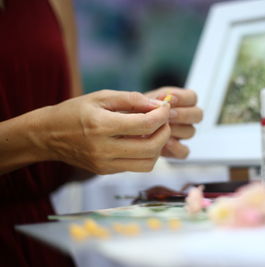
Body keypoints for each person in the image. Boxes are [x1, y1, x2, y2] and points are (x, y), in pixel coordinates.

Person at [0, 0, 202, 266]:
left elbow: (60, 162)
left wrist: (124, 128)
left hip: (36, 241)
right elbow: (50, 136)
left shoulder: (57, 4)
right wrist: (44, 135)